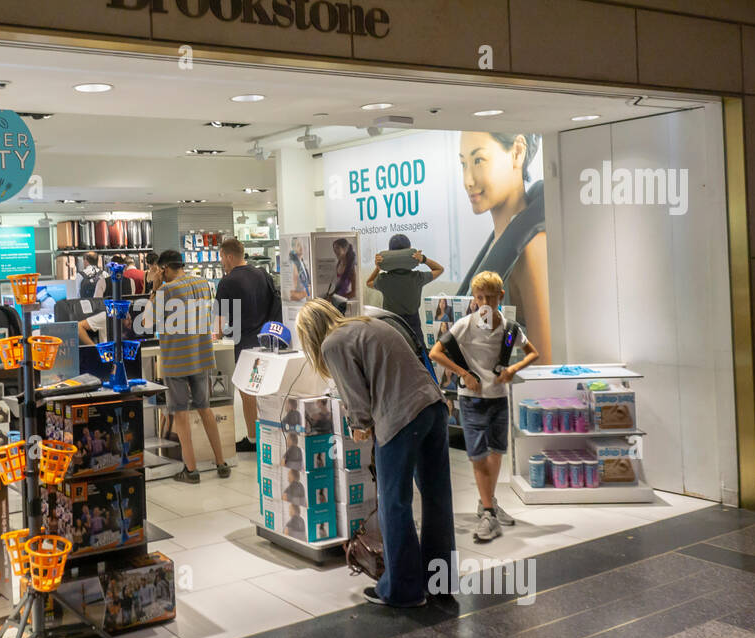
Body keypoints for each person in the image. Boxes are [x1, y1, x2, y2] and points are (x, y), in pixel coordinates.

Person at [296, 298, 454, 608]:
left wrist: (359, 426)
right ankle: (440, 582)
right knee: (437, 499)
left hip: (401, 417)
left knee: (394, 503)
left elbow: (357, 399)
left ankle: (403, 591)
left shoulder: (332, 344)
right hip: (433, 408)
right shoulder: (368, 324)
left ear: (309, 334)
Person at [429, 270, 540, 543]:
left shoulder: (510, 330)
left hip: (499, 398)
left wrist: (513, 368)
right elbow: (436, 353)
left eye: (490, 297)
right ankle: (489, 512)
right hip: (472, 400)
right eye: (479, 297)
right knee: (478, 455)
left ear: (500, 297)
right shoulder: (466, 324)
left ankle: (486, 502)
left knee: (497, 452)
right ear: (474, 299)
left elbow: (533, 353)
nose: (485, 302)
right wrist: (463, 374)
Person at [456, 131, 551, 362]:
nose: (468, 180)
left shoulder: (530, 248)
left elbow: (544, 363)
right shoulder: (498, 246)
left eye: (479, 160)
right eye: (463, 164)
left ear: (517, 152)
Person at [155, 250, 229, 483]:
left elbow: (147, 322)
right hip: (201, 355)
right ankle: (221, 463)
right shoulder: (203, 283)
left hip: (176, 358)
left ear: (165, 268)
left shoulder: (166, 290)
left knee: (181, 413)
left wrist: (155, 288)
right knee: (205, 408)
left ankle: (191, 469)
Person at [214, 238, 281, 451]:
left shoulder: (227, 282)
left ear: (230, 256)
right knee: (267, 391)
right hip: (267, 341)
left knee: (247, 392)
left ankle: (253, 439)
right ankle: (272, 435)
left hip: (243, 344)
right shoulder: (263, 274)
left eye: (222, 257)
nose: (222, 262)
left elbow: (220, 323)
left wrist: (216, 334)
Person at [366, 234, 444, 339]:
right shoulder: (417, 277)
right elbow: (439, 269)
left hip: (391, 324)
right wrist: (423, 259)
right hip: (413, 325)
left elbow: (369, 282)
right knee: (417, 353)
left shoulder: (383, 280)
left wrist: (378, 267)